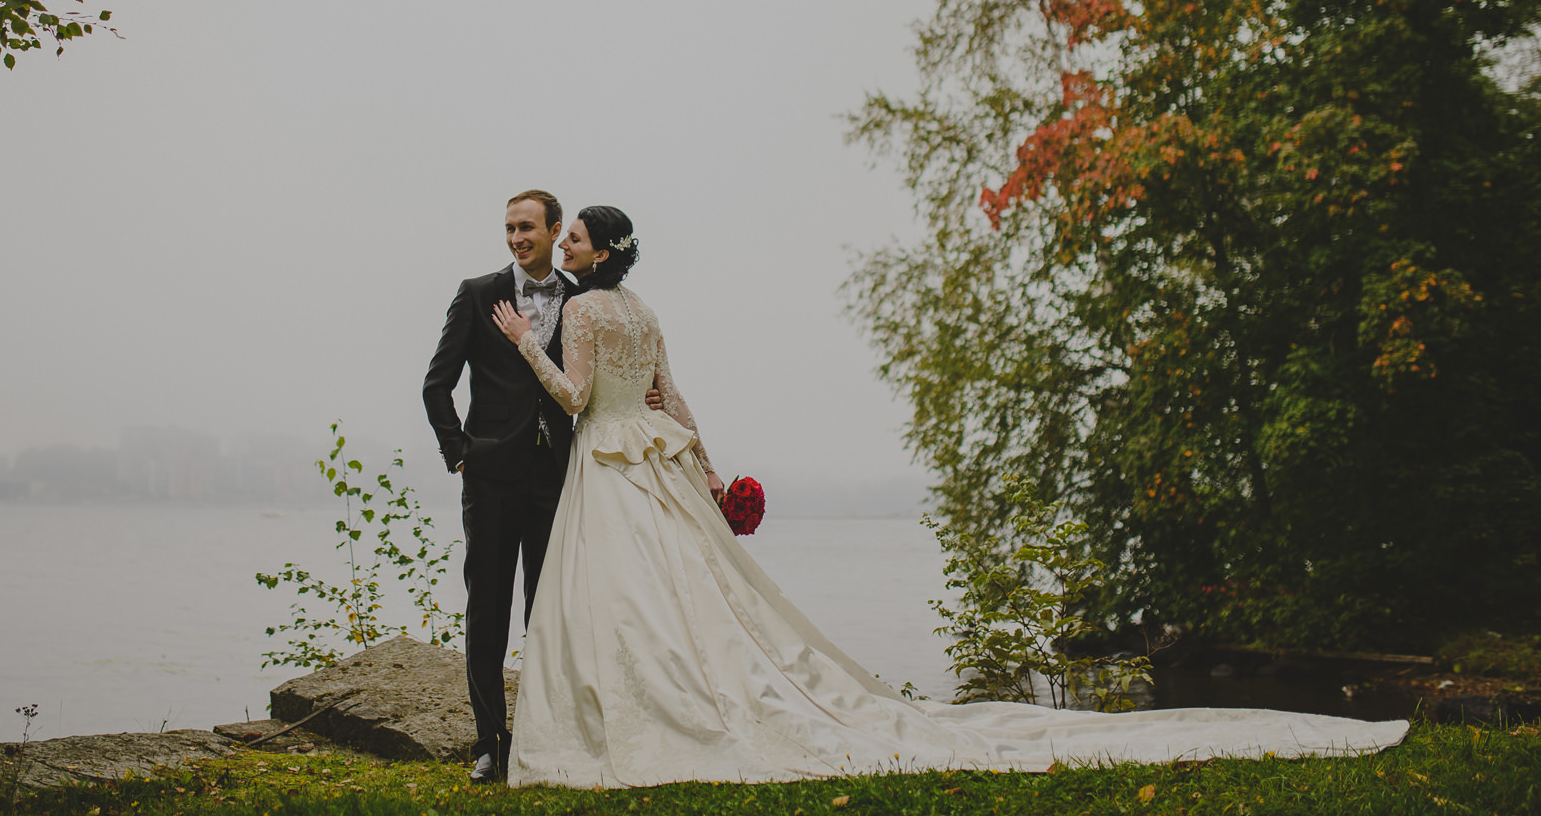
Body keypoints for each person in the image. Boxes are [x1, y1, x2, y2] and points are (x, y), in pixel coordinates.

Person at [489, 205, 1408, 789]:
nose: (561, 244)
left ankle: (634, 714)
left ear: (598, 250)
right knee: (696, 596)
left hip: (607, 460)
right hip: (662, 460)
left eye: (570, 236)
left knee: (622, 602)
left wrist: (526, 345)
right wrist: (713, 473)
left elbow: (576, 400)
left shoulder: (580, 310)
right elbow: (674, 400)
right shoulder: (646, 312)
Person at [422, 189, 676, 784]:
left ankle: (544, 733)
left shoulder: (582, 296)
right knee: (487, 610)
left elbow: (598, 375)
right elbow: (437, 384)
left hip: (559, 475)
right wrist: (459, 452)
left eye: (528, 228)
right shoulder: (478, 293)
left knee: (549, 609)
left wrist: (646, 396)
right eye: (509, 228)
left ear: (554, 229)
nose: (517, 238)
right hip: (489, 475)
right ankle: (490, 742)